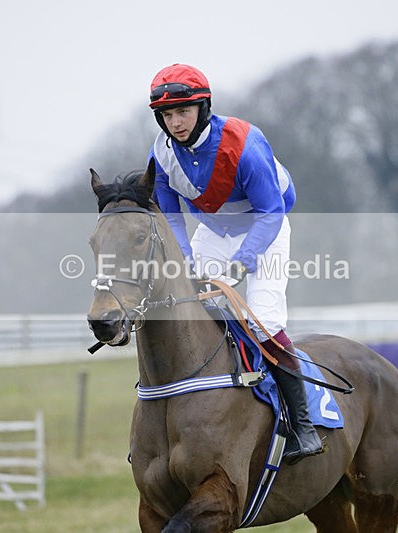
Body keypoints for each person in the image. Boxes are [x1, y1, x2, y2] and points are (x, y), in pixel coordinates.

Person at [146, 63, 322, 463]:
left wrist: (243, 263)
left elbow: (271, 212)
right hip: (214, 232)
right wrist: (187, 261)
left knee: (263, 320)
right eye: (167, 115)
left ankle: (304, 426)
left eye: (183, 112)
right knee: (188, 304)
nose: (176, 123)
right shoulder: (161, 154)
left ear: (203, 107)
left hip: (265, 228)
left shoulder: (244, 143)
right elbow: (170, 215)